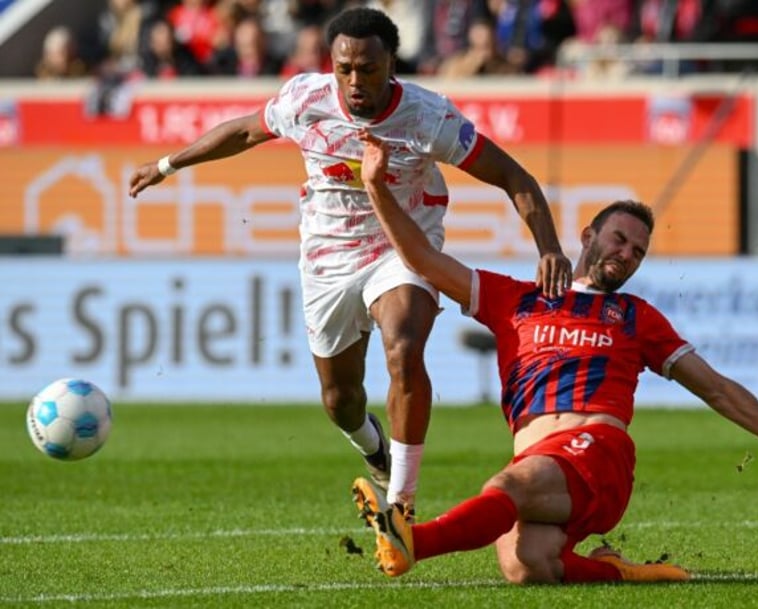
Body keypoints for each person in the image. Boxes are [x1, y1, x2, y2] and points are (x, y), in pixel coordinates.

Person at [127, 7, 570, 520]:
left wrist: (549, 247)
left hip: (403, 248)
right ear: (331, 63)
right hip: (328, 257)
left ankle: (401, 506)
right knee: (340, 400)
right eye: (345, 69)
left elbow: (514, 177)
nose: (355, 81)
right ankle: (372, 447)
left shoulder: (430, 118)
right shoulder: (306, 99)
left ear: (391, 65)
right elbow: (246, 132)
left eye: (368, 69)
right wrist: (165, 165)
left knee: (404, 347)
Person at [350, 130, 758, 584]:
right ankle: (621, 572)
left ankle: (413, 542)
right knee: (526, 564)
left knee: (507, 485)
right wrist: (375, 186)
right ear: (588, 236)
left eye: (638, 252)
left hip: (598, 454)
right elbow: (424, 260)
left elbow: (715, 386)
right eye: (619, 239)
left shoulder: (635, 316)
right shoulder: (516, 299)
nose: (627, 253)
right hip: (541, 460)